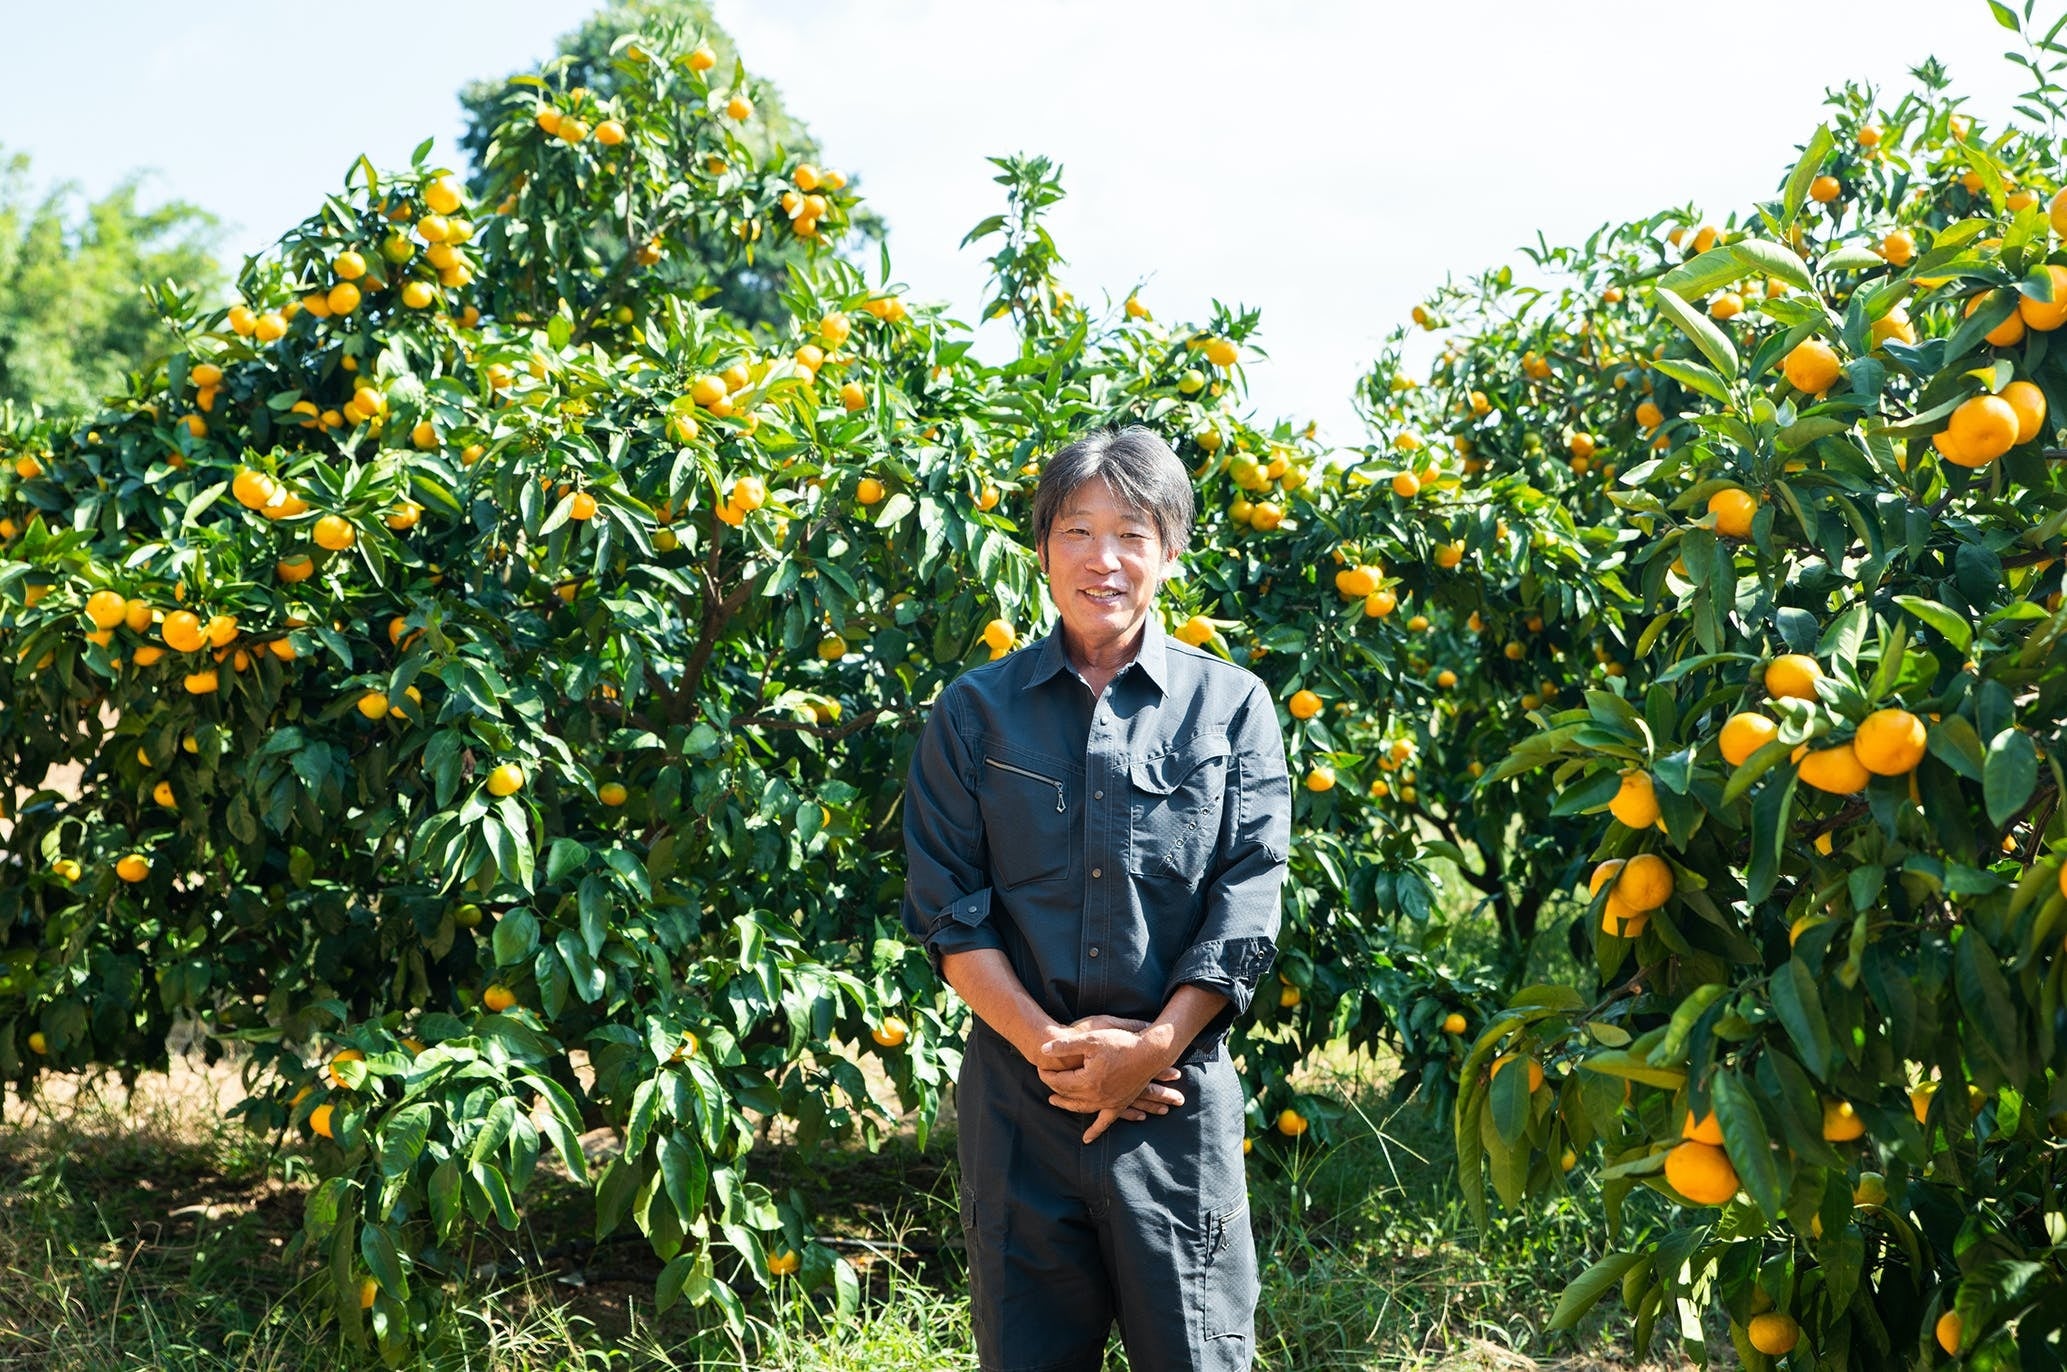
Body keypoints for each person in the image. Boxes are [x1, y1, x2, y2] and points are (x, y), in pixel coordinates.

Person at [901, 425, 1291, 1371]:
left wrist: (1153, 1047)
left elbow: (1248, 895)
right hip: (1019, 1104)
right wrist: (1052, 1047)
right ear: (1041, 548)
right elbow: (950, 906)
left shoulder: (1230, 707)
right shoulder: (974, 712)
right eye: (1076, 530)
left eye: (1131, 533)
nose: (1102, 560)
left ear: (1170, 549)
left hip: (1175, 1101)